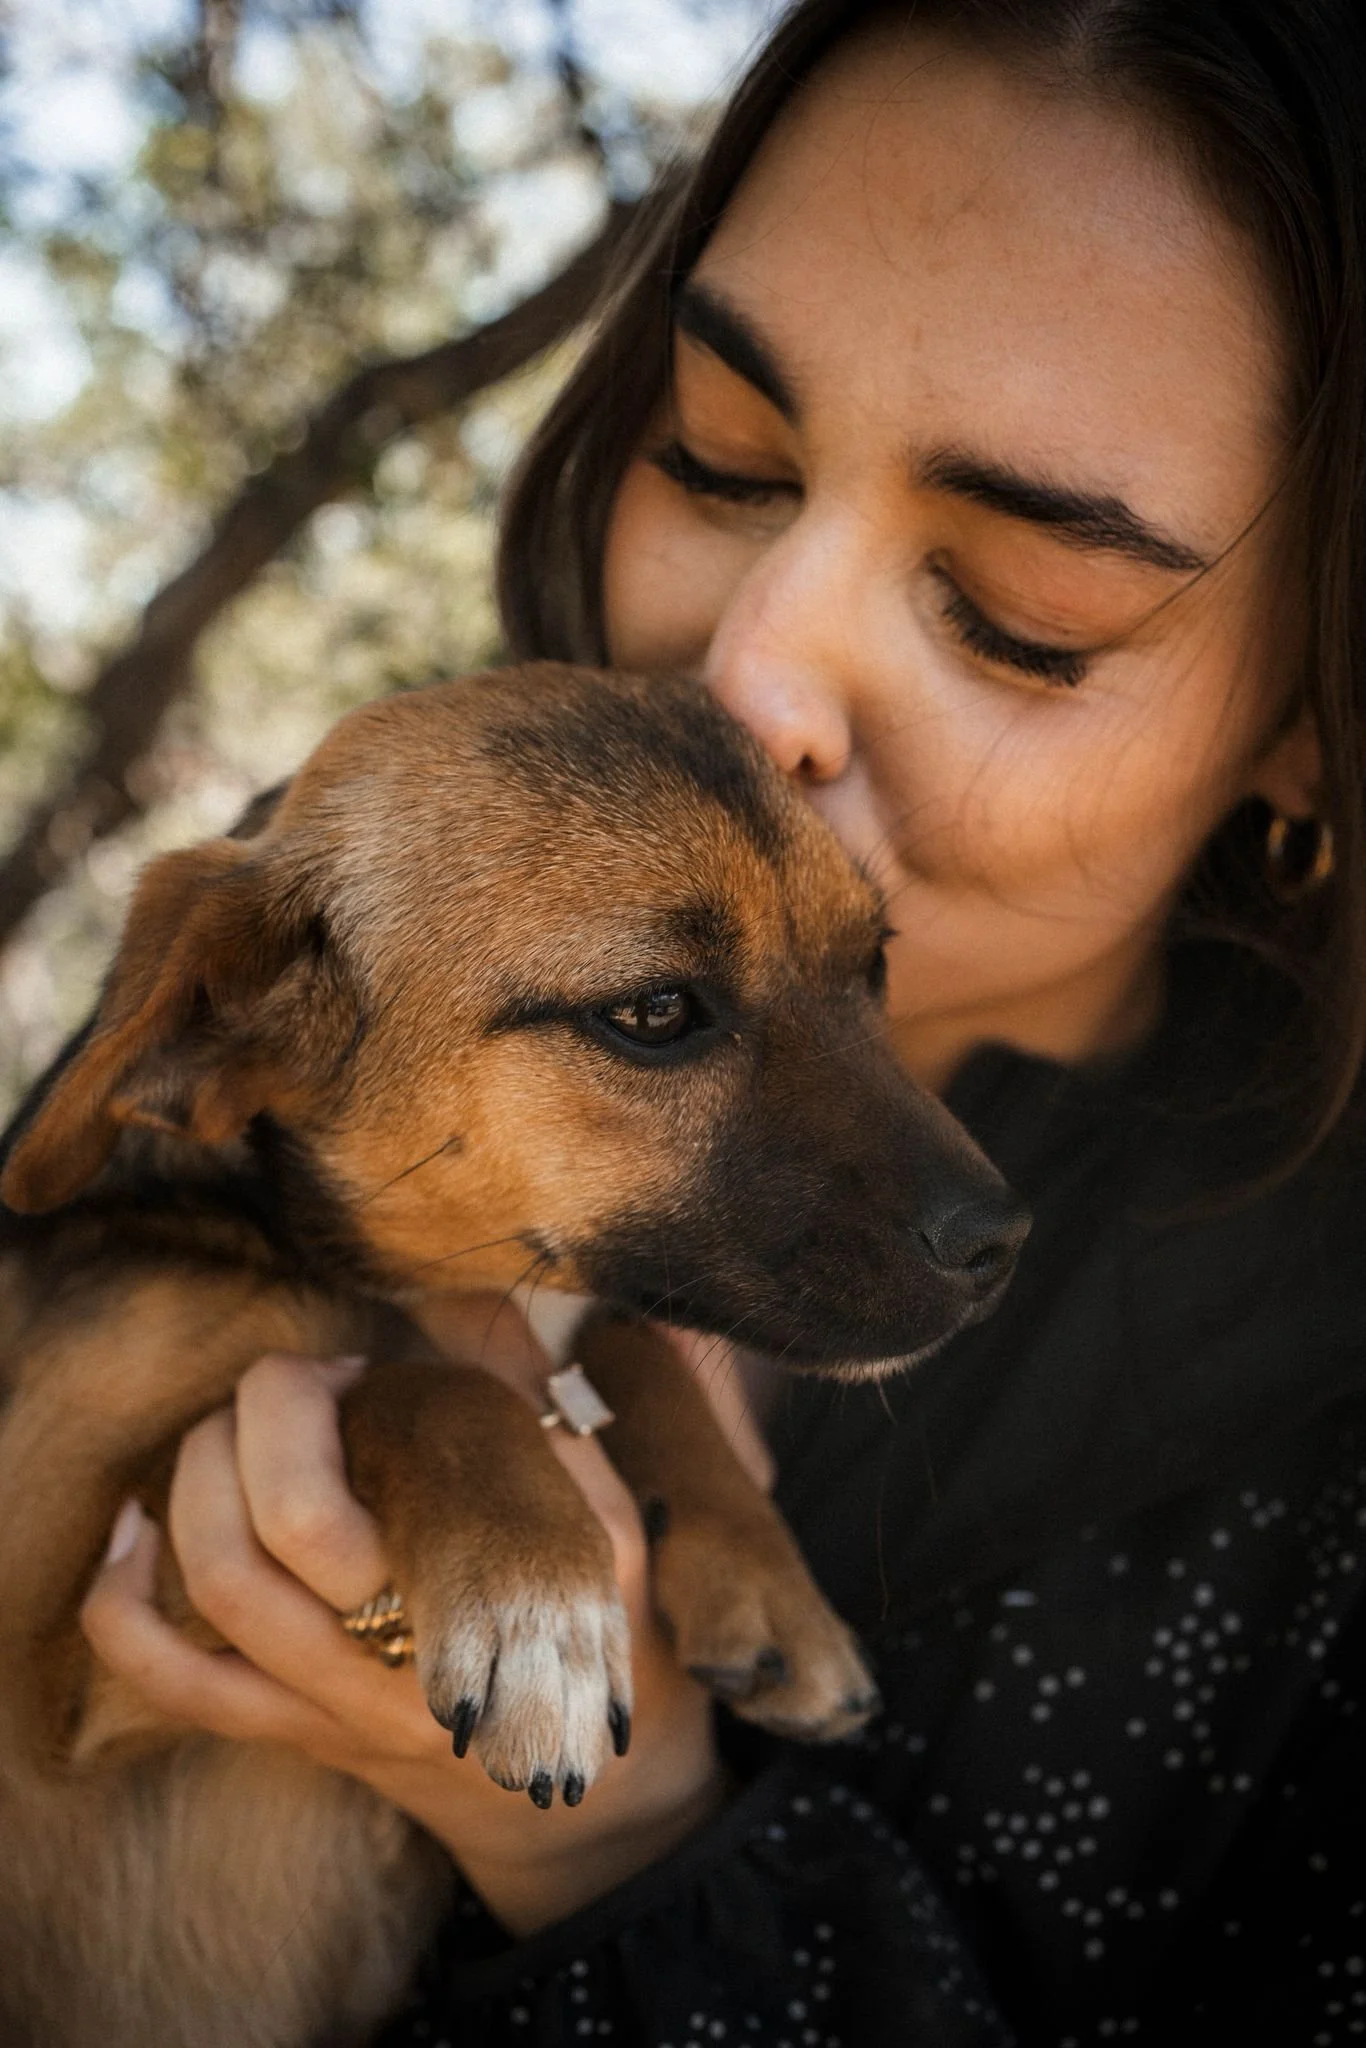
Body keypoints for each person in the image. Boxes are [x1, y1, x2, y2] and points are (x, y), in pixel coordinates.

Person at [78, 1, 1366, 2040]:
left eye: (1017, 611)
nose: (753, 678)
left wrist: (617, 1841)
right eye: (718, 455)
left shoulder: (1299, 1485)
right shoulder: (369, 907)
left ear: (1314, 714)